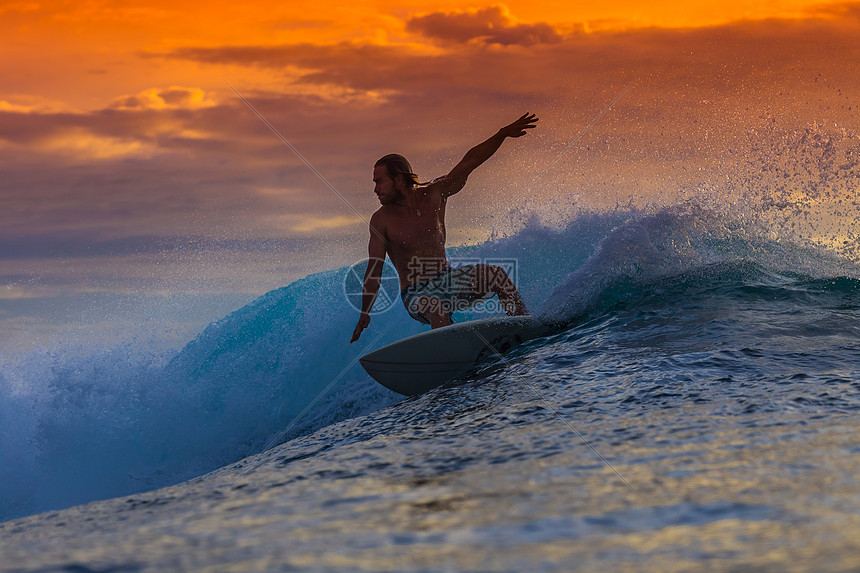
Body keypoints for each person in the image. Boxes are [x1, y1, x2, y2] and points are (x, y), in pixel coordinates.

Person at [350, 113, 538, 343]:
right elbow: (374, 270)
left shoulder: (435, 193)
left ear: (399, 179)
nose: (375, 189)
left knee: (496, 276)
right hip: (416, 294)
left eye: (379, 181)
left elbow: (468, 163)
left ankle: (524, 330)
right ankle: (455, 361)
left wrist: (501, 135)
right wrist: (365, 312)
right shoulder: (381, 220)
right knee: (435, 306)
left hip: (448, 278)